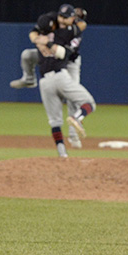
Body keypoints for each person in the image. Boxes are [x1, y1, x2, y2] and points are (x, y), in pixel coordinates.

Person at [11, 4, 88, 148]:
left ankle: (73, 135)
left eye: (69, 18)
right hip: (49, 54)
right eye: (62, 17)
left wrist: (49, 45)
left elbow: (66, 54)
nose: (64, 20)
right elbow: (34, 32)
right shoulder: (50, 19)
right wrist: (38, 44)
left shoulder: (76, 32)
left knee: (73, 100)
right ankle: (29, 79)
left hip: (69, 62)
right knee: (27, 55)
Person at [31, 12, 96, 157]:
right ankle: (77, 118)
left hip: (44, 82)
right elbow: (63, 53)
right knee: (89, 103)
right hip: (60, 76)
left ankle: (62, 155)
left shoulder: (38, 40)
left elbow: (35, 33)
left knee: (54, 122)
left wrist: (39, 39)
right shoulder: (63, 35)